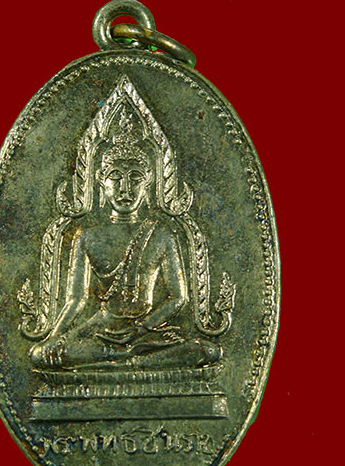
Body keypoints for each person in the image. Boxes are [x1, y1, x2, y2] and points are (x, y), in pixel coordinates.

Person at [29, 116, 221, 371]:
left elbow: (178, 297)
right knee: (40, 355)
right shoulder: (86, 235)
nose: (125, 189)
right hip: (100, 329)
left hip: (146, 332)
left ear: (149, 180)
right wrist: (54, 338)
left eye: (135, 177)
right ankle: (130, 360)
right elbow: (76, 300)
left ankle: (123, 359)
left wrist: (142, 328)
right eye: (115, 177)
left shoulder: (162, 234)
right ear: (101, 180)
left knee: (207, 350)